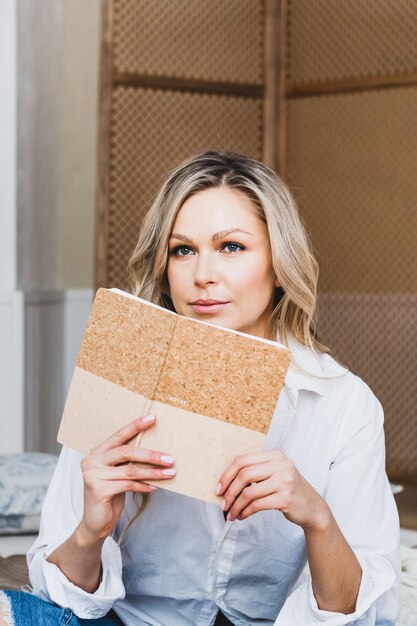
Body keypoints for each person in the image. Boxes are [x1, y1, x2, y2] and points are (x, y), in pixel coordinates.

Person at [0, 151, 400, 625]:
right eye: (182, 250)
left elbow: (361, 613)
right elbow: (68, 603)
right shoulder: (120, 376)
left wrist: (316, 516)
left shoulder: (342, 403)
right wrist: (92, 529)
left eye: (231, 246)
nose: (202, 275)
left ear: (278, 260)